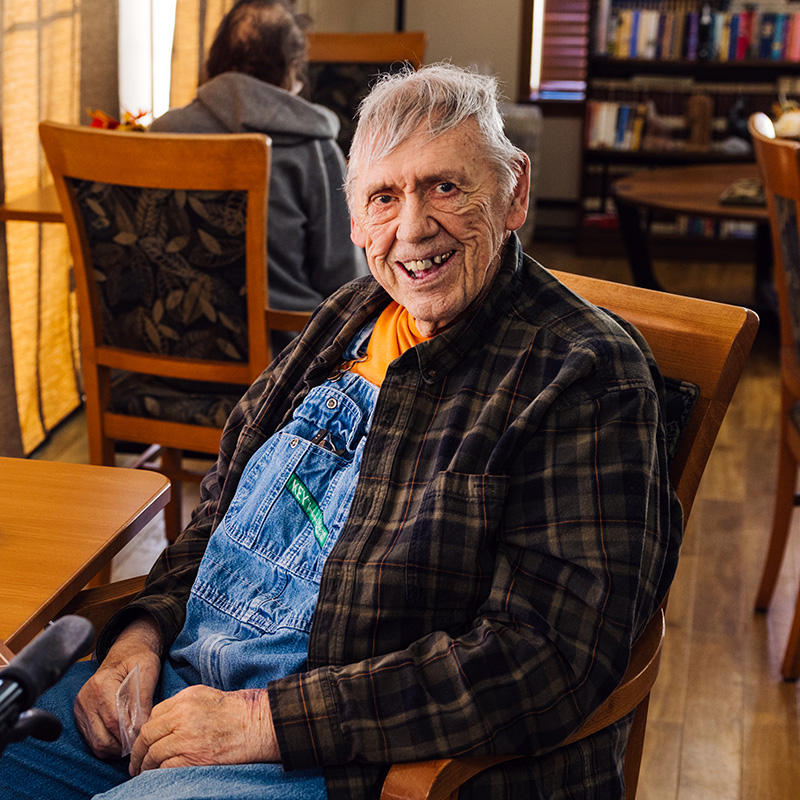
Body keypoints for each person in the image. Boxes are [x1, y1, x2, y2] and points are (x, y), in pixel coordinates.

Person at [0, 63, 682, 799]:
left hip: (346, 759)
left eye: (445, 187)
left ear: (514, 190)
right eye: (384, 197)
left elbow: (548, 656)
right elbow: (216, 515)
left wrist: (263, 722)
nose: (412, 228)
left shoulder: (584, 373)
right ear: (355, 221)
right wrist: (135, 641)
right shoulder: (345, 319)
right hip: (179, 693)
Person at [150, 0, 367, 348]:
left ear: (214, 63)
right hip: (287, 360)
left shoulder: (161, 135)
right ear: (292, 71)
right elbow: (344, 281)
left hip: (166, 347)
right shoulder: (313, 149)